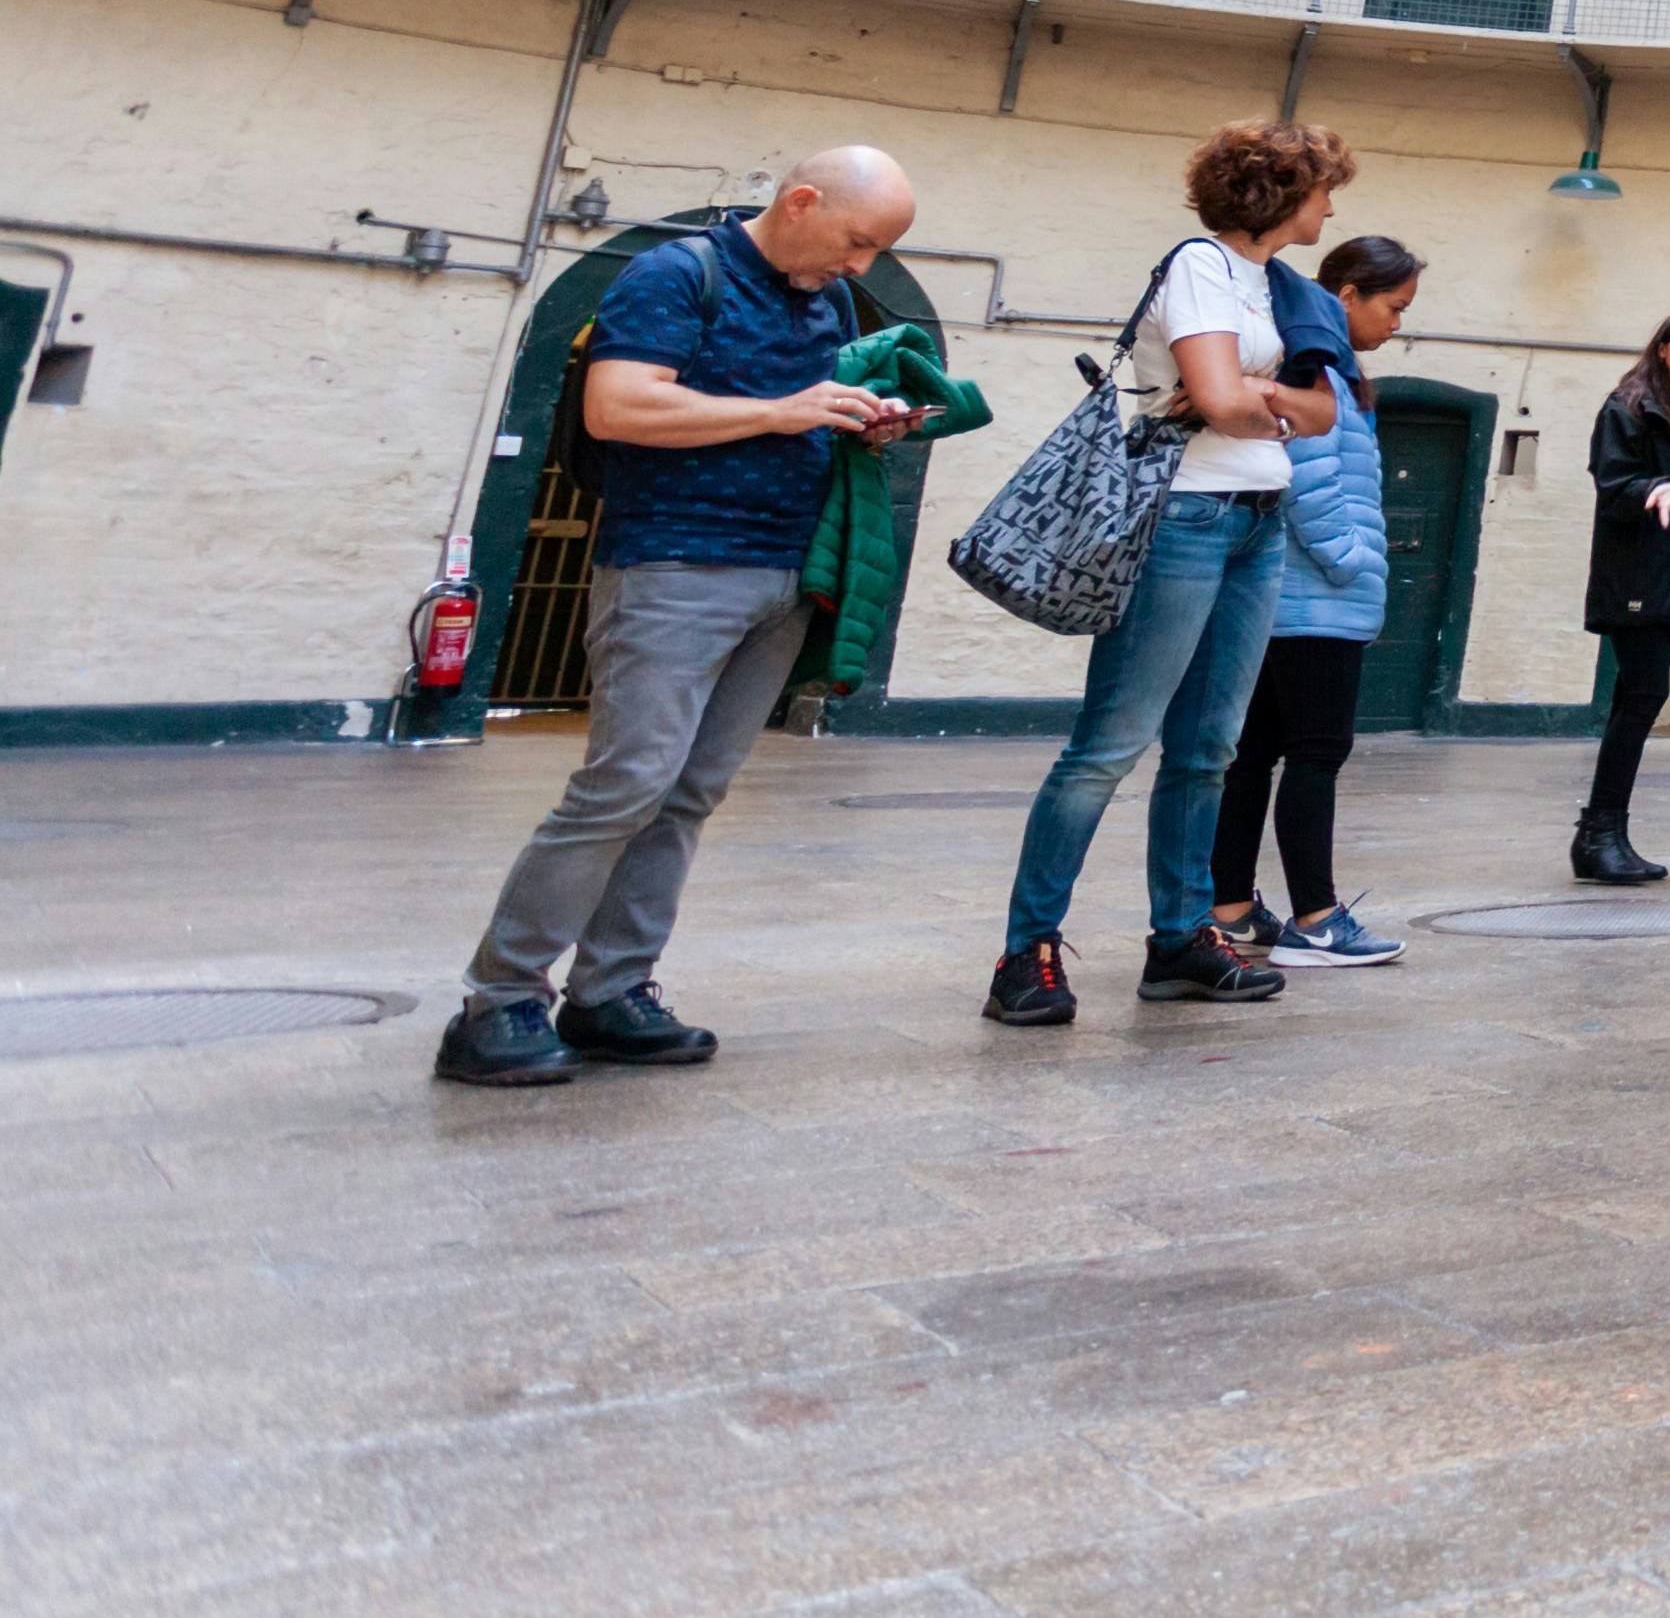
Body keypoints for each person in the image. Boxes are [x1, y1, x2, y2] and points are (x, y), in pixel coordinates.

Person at [438, 148, 927, 1086]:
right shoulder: (674, 274)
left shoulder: (821, 299)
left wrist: (855, 417)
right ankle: (497, 1003)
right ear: (801, 202)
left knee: (689, 794)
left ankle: (611, 992)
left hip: (783, 572)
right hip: (675, 566)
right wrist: (782, 411)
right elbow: (620, 408)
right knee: (624, 786)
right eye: (857, 242)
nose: (861, 268)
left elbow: (785, 412)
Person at [993, 123, 1348, 1026]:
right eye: (1322, 191)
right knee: (1109, 744)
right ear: (1279, 196)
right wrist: (1252, 400)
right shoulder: (1200, 265)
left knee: (1208, 751)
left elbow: (1312, 411)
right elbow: (1222, 402)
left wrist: (1256, 397)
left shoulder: (1280, 290)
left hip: (1257, 524)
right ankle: (1025, 954)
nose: (1332, 206)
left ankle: (1182, 938)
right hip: (1183, 518)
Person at [1211, 232, 1424, 969]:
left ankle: (1231, 907)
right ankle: (1316, 919)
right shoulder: (1322, 375)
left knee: (1255, 755)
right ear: (1346, 297)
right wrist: (1353, 560)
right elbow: (1309, 478)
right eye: (1392, 307)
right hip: (1316, 602)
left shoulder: (1328, 372)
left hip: (1287, 601)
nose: (1398, 323)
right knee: (1317, 753)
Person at [1572, 314, 1670, 886]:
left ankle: (1599, 837)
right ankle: (1600, 833)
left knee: (1634, 699)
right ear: (1663, 347)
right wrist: (1653, 488)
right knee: (1645, 693)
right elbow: (1612, 485)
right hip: (1636, 576)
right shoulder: (1629, 406)